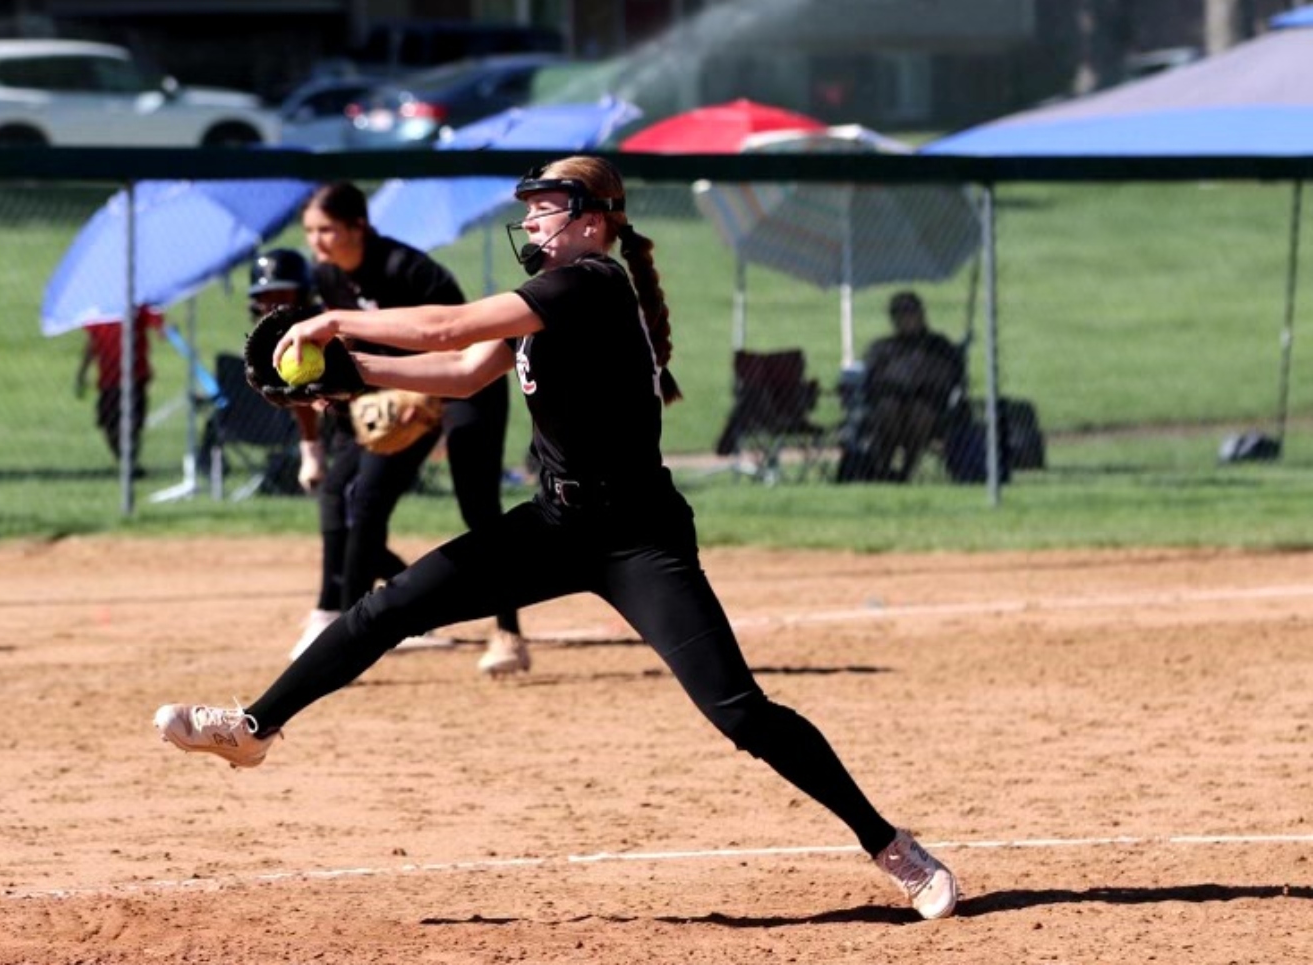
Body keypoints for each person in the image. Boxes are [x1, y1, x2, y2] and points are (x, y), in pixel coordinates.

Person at [154, 156, 959, 921]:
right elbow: (464, 371)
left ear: (593, 221)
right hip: (556, 522)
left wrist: (334, 321)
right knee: (387, 606)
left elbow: (447, 326)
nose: (532, 215)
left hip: (639, 535)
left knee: (742, 713)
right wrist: (352, 373)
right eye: (531, 204)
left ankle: (892, 845)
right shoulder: (550, 293)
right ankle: (251, 729)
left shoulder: (591, 283)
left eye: (548, 202)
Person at [287, 182, 529, 676]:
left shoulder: (406, 268)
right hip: (393, 397)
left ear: (359, 226)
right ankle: (345, 639)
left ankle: (509, 634)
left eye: (328, 229)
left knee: (479, 509)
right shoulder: (327, 276)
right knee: (361, 498)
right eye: (310, 231)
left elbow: (462, 342)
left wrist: (434, 416)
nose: (318, 241)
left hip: (468, 389)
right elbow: (348, 353)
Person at [856, 291, 965, 483]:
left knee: (919, 414)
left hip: (929, 405)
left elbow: (949, 379)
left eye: (909, 313)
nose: (903, 319)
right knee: (888, 410)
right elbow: (870, 380)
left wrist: (918, 389)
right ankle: (882, 467)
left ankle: (906, 471)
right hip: (889, 403)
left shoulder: (938, 346)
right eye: (897, 314)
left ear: (921, 315)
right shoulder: (883, 347)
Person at [75, 305, 162, 477]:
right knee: (108, 420)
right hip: (109, 378)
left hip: (135, 375)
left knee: (132, 421)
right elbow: (92, 342)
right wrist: (82, 372)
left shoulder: (136, 302)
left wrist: (164, 329)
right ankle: (126, 460)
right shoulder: (97, 310)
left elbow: (157, 321)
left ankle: (130, 462)